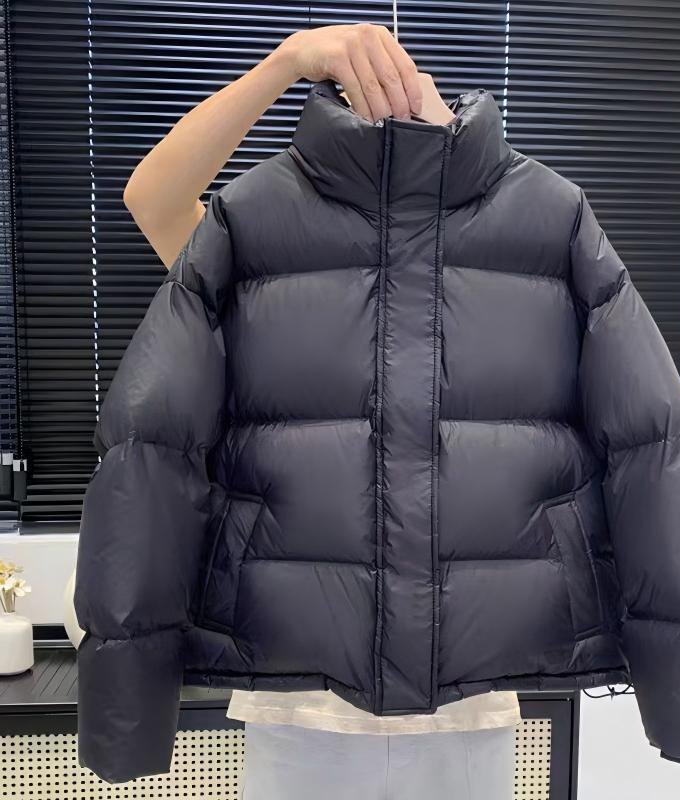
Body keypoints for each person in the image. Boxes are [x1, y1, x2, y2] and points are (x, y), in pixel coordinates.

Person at [120, 22, 522, 799]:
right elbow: (153, 199)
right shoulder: (259, 255)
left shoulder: (504, 257)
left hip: (465, 701)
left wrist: (449, 137)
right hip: (299, 697)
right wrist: (289, 59)